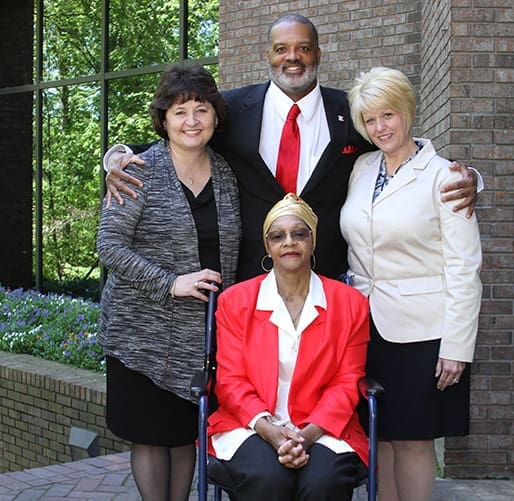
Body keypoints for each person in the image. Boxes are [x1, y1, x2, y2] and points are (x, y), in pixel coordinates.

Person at [102, 14, 480, 282]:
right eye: (282, 48)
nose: (292, 57)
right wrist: (116, 156)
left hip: (327, 277)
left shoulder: (350, 112)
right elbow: (179, 138)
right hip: (251, 278)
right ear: (268, 56)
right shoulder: (231, 110)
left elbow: (401, 148)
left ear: (317, 54)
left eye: (303, 48)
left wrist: (467, 179)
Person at [96, 64, 241, 501]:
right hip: (140, 333)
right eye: (180, 111)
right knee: (151, 437)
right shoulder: (138, 171)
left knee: (184, 435)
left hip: (201, 336)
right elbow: (109, 245)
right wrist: (170, 282)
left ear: (216, 117)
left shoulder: (228, 176)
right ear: (164, 119)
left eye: (201, 109)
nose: (191, 121)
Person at [340, 67, 483, 501]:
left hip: (425, 331)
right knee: (378, 437)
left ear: (407, 111)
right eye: (369, 120)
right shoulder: (362, 168)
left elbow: (465, 267)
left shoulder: (446, 177)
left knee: (415, 441)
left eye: (388, 115)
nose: (380, 127)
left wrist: (457, 347)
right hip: (366, 327)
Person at [206, 193, 371, 500]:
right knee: (268, 478)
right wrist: (271, 431)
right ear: (267, 246)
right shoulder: (236, 302)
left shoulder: (351, 304)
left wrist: (305, 437)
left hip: (323, 427)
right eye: (278, 236)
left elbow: (347, 382)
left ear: (313, 241)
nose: (289, 242)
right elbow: (229, 380)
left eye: (300, 233)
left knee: (324, 481)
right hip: (251, 424)